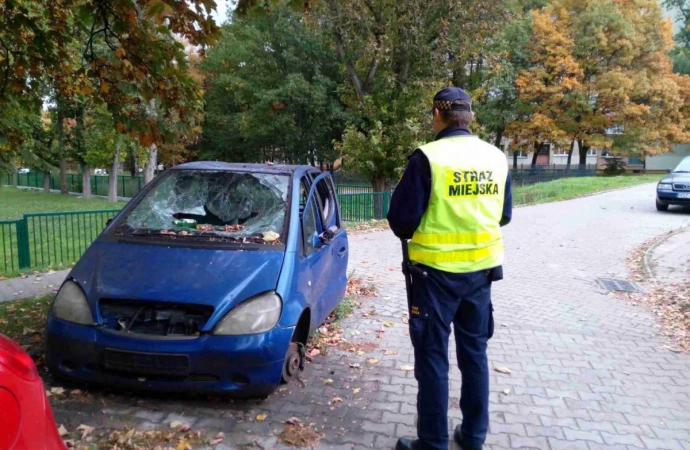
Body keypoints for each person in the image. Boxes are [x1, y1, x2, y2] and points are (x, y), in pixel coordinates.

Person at [388, 87, 512, 450]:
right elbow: (503, 215)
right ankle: (473, 437)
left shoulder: (427, 158)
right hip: (481, 274)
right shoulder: (495, 157)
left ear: (437, 116)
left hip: (433, 278)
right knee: (474, 355)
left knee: (432, 358)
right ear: (469, 118)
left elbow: (401, 222)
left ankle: (433, 443)